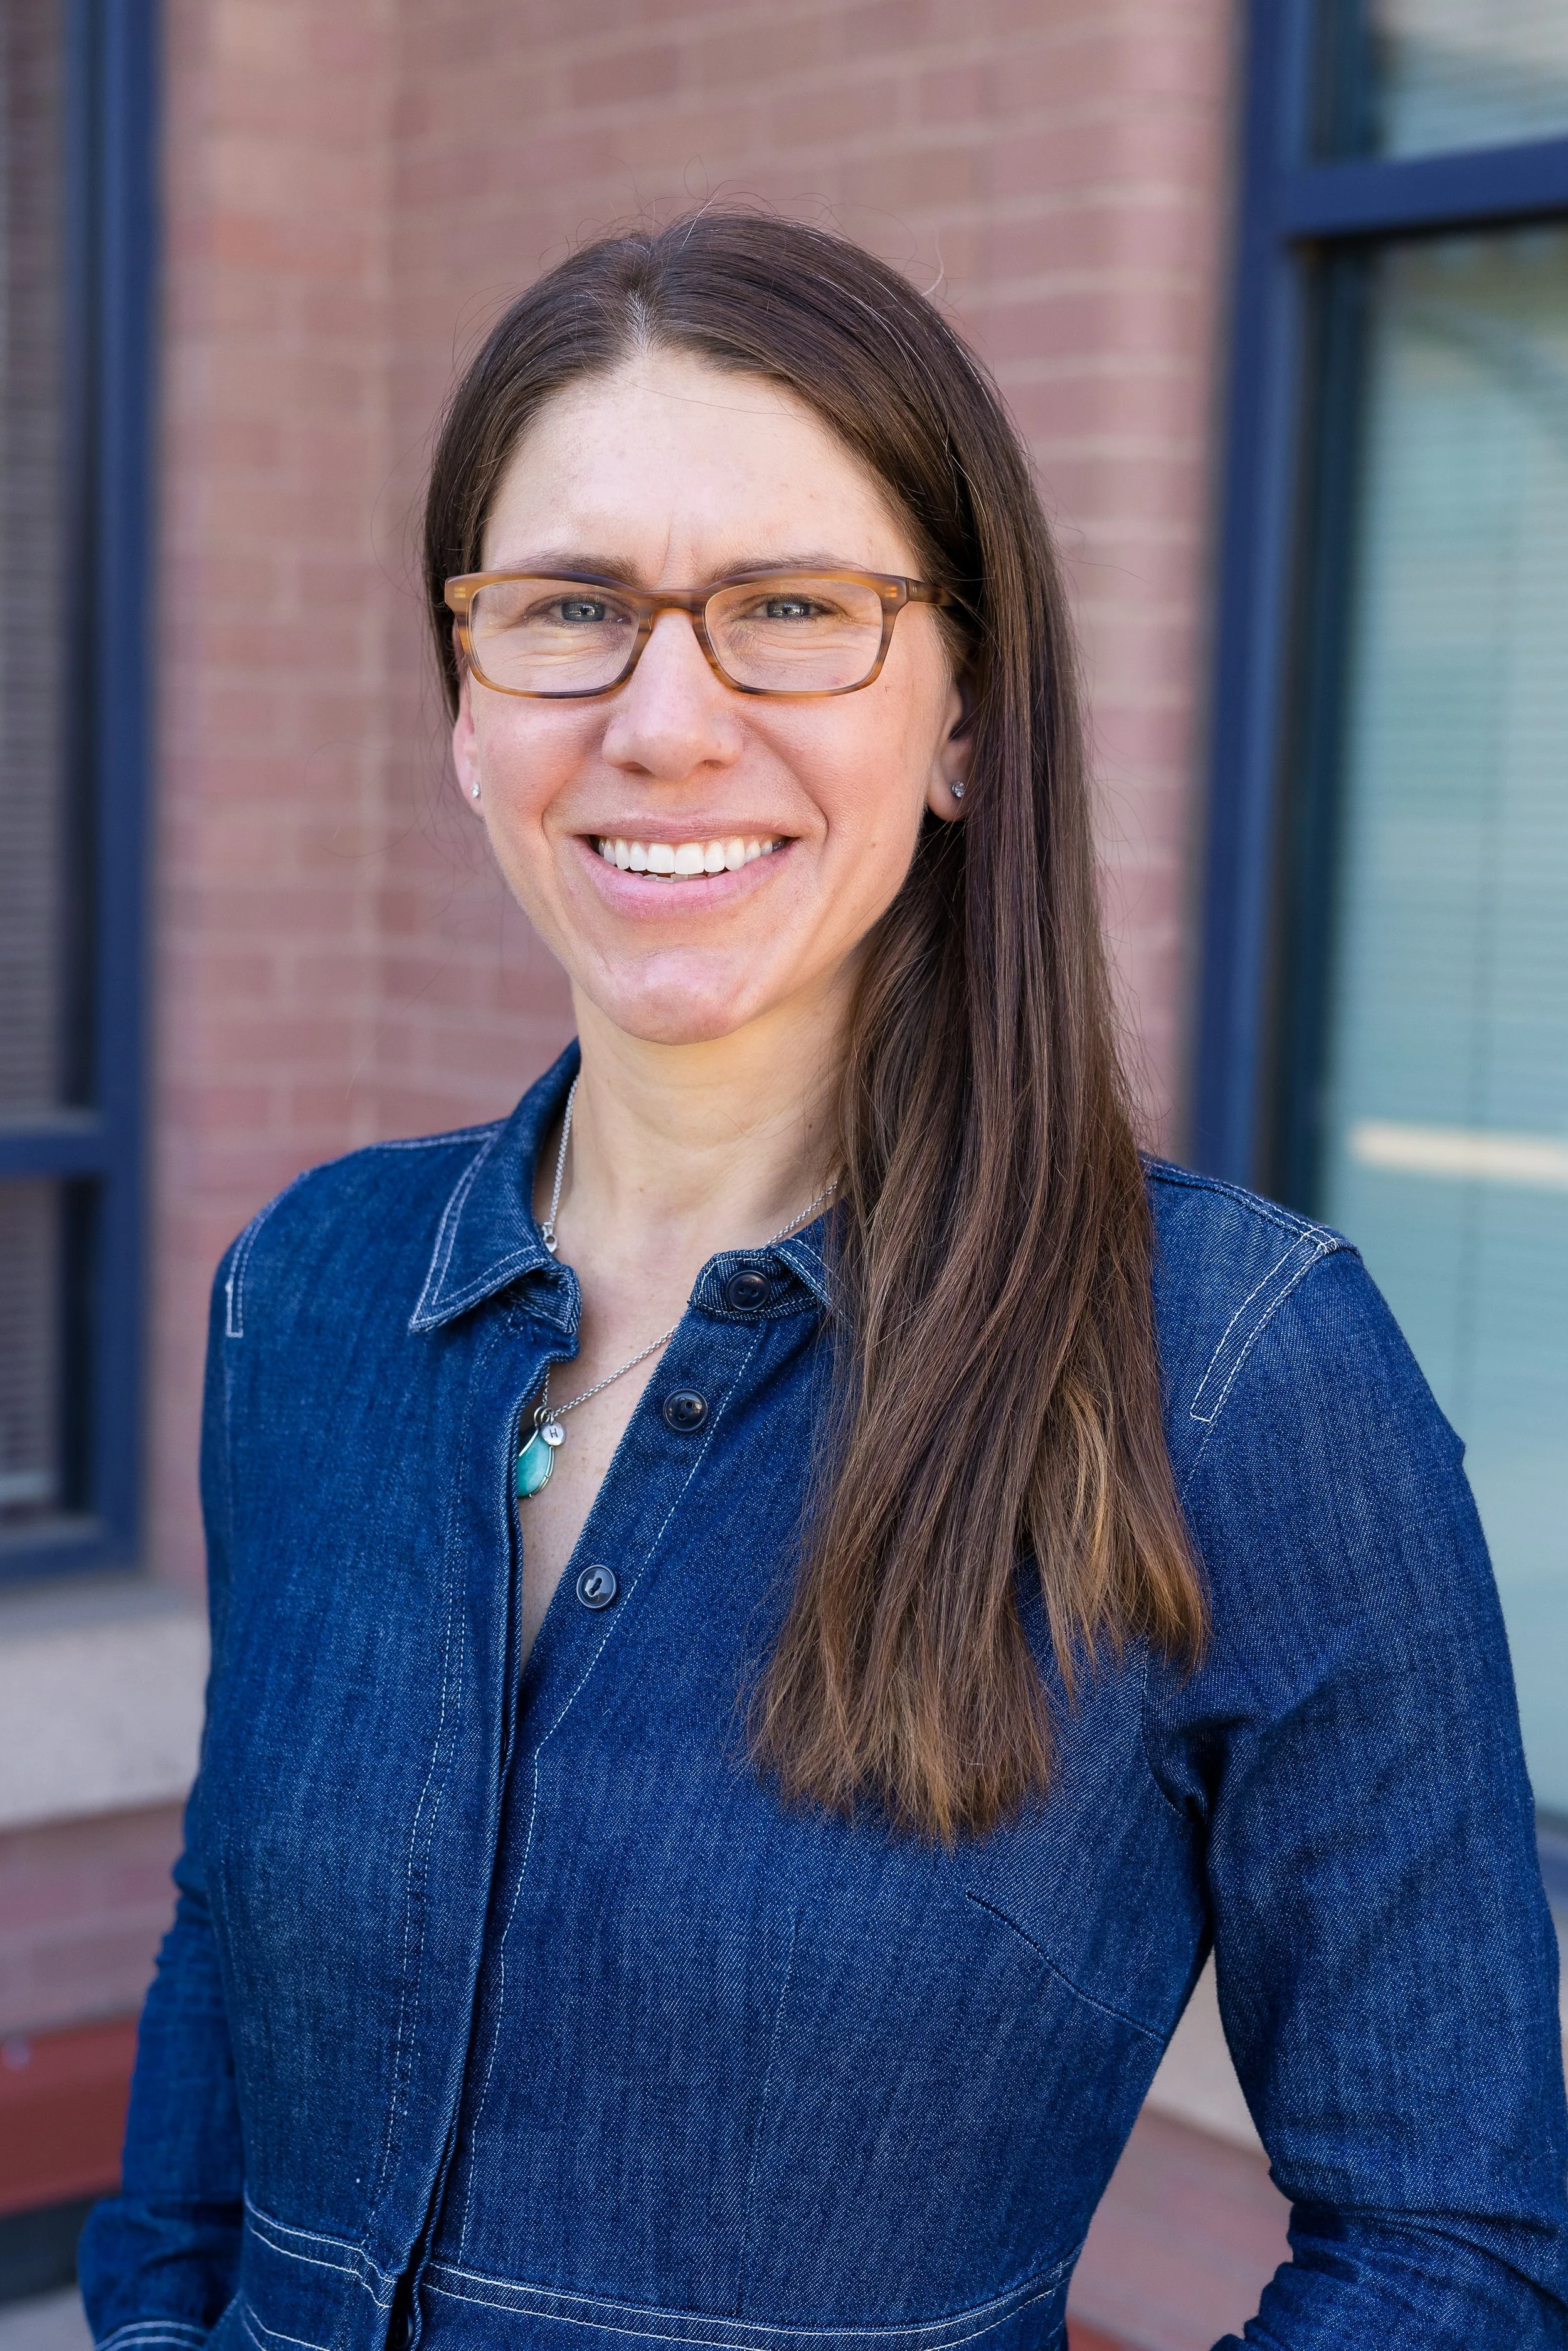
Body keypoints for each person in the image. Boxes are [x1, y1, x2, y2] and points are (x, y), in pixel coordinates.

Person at [80, 214, 1567, 2351]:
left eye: (790, 609)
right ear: (467, 707)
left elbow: (1453, 2251)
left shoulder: (1231, 1373)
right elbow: (224, 1970)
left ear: (963, 714)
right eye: (567, 611)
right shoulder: (309, 1292)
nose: (662, 720)